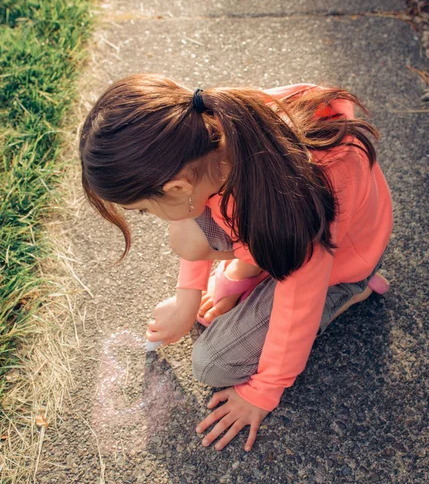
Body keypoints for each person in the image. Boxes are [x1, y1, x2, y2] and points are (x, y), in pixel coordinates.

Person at [79, 74, 393, 452]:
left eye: (143, 210)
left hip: (336, 260)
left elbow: (298, 303)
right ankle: (252, 266)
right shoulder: (215, 133)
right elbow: (195, 214)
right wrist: (187, 299)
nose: (149, 216)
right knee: (187, 233)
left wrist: (263, 391)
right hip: (278, 233)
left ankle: (351, 291)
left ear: (177, 187)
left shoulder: (294, 202)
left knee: (212, 364)